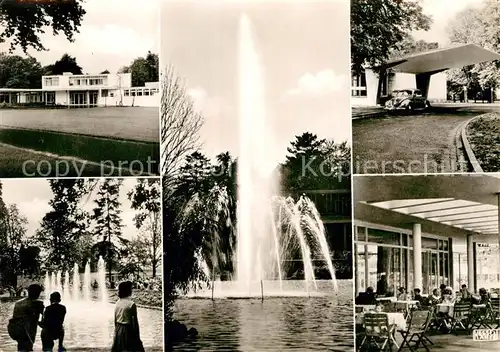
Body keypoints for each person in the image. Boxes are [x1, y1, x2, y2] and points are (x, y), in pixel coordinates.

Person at [8, 284, 44, 351]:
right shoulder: (38, 303)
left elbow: (15, 319)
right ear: (38, 293)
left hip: (15, 330)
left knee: (21, 346)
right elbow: (43, 320)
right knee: (28, 347)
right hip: (28, 331)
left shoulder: (18, 303)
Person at [111, 281, 144, 352]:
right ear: (127, 290)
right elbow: (135, 322)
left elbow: (115, 319)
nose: (131, 290)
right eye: (130, 288)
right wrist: (137, 336)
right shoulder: (131, 304)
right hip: (128, 329)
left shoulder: (118, 302)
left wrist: (116, 331)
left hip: (119, 329)